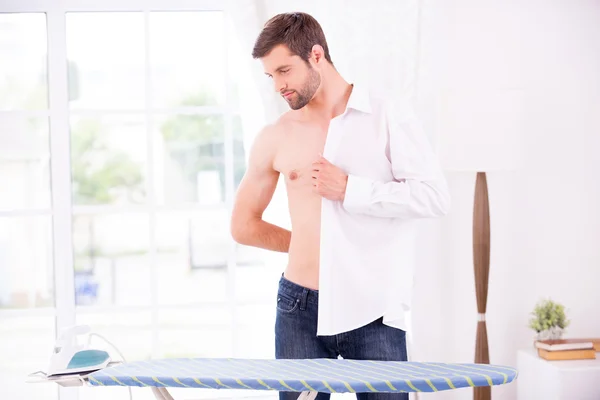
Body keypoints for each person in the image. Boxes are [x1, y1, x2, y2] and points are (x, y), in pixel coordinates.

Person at [230, 12, 450, 400]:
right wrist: (312, 245)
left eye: (284, 70)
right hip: (299, 306)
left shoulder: (385, 115)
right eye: (271, 76)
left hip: (372, 307)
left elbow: (434, 196)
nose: (278, 86)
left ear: (316, 55)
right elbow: (243, 226)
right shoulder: (276, 135)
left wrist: (350, 188)